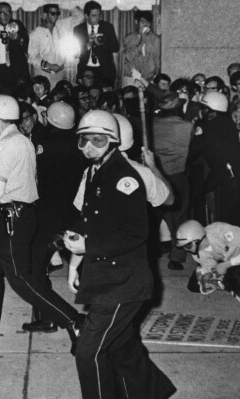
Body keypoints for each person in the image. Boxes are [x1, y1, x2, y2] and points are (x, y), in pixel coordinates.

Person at [63, 109, 176, 399]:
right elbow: (86, 220)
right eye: (84, 141)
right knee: (121, 346)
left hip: (122, 283)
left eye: (97, 141)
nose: (89, 148)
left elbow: (135, 232)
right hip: (105, 276)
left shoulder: (127, 177)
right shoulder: (93, 172)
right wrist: (76, 264)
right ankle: (152, 392)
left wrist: (88, 248)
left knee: (88, 353)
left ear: (113, 142)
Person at [0, 95, 83, 351]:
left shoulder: (7, 145)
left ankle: (75, 320)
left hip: (12, 219)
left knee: (21, 280)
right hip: (12, 216)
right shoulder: (23, 140)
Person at [22, 102, 87, 333]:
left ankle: (47, 316)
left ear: (49, 120)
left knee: (34, 268)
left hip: (48, 216)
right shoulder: (82, 145)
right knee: (83, 263)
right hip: (76, 214)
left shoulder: (44, 145)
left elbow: (34, 175)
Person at [190, 91, 240, 231]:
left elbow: (193, 151)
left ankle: (234, 249)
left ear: (210, 110)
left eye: (203, 108)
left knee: (226, 218)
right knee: (237, 215)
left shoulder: (206, 127)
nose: (201, 111)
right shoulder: (228, 123)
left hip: (230, 176)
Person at [151, 92, 192, 270]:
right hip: (177, 176)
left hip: (156, 176)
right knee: (180, 218)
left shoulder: (152, 125)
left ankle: (150, 252)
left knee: (153, 218)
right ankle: (177, 256)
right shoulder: (187, 127)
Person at [74, 1, 120, 89]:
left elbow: (116, 48)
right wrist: (87, 46)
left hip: (104, 71)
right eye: (94, 15)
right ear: (87, 16)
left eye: (99, 15)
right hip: (85, 70)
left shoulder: (107, 27)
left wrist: (101, 44)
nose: (97, 18)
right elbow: (75, 54)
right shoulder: (78, 30)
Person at [28, 3, 66, 87]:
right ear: (45, 14)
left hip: (60, 73)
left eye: (57, 14)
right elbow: (32, 57)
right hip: (44, 74)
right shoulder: (36, 33)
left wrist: (64, 61)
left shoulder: (60, 31)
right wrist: (50, 66)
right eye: (52, 13)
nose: (55, 16)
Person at [122, 10, 160, 87]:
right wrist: (142, 40)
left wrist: (156, 77)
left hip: (148, 79)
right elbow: (128, 57)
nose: (146, 25)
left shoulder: (155, 39)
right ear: (136, 22)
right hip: (131, 78)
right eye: (143, 22)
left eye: (148, 23)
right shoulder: (129, 38)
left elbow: (157, 60)